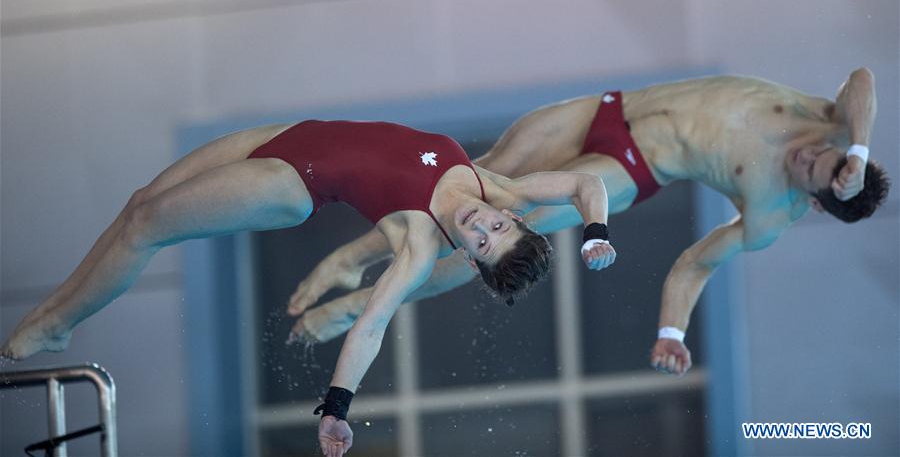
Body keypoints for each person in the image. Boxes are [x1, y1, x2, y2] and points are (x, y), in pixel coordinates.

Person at [0, 119, 616, 456]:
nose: (481, 226)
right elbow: (588, 185)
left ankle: (57, 322)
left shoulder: (422, 247)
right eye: (496, 227)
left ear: (475, 263)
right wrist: (594, 232)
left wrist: (338, 408)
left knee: (145, 227)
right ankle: (54, 317)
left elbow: (371, 326)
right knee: (141, 203)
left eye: (483, 243)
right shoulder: (497, 189)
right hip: (285, 134)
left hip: (289, 182)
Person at [288, 68, 890, 379]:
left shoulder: (770, 214)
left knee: (499, 228)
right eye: (828, 156)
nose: (810, 157)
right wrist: (856, 152)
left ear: (812, 202)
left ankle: (354, 306)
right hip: (611, 108)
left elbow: (696, 265)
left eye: (815, 173)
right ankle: (354, 255)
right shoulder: (834, 122)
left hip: (635, 165)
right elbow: (862, 77)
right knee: (471, 179)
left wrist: (671, 335)